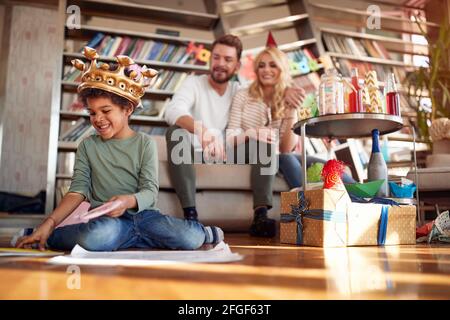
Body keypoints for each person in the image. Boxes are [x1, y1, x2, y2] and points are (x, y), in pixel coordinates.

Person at [15, 47, 223, 252]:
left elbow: (150, 193)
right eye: (92, 112)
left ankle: (203, 233)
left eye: (106, 110)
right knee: (98, 235)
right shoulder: (88, 146)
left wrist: (128, 200)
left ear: (127, 109)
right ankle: (46, 234)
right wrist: (50, 222)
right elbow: (77, 191)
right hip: (108, 221)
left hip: (146, 218)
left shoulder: (144, 143)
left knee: (191, 237)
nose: (97, 119)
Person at [164, 34, 305, 232]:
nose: (220, 64)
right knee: (174, 133)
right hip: (195, 153)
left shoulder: (240, 90)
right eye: (216, 57)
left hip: (229, 153)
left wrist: (288, 90)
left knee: (262, 140)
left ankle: (261, 216)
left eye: (228, 59)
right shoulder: (193, 83)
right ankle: (191, 216)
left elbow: (269, 84)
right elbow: (173, 111)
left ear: (237, 66)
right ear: (210, 58)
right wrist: (202, 132)